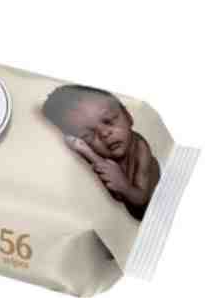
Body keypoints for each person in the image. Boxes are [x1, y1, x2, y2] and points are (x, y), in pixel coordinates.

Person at [43, 84, 160, 220]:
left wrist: (123, 186)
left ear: (128, 116)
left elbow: (141, 199)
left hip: (157, 203)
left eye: (108, 121)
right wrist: (87, 153)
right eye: (87, 135)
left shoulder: (140, 148)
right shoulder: (96, 154)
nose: (104, 134)